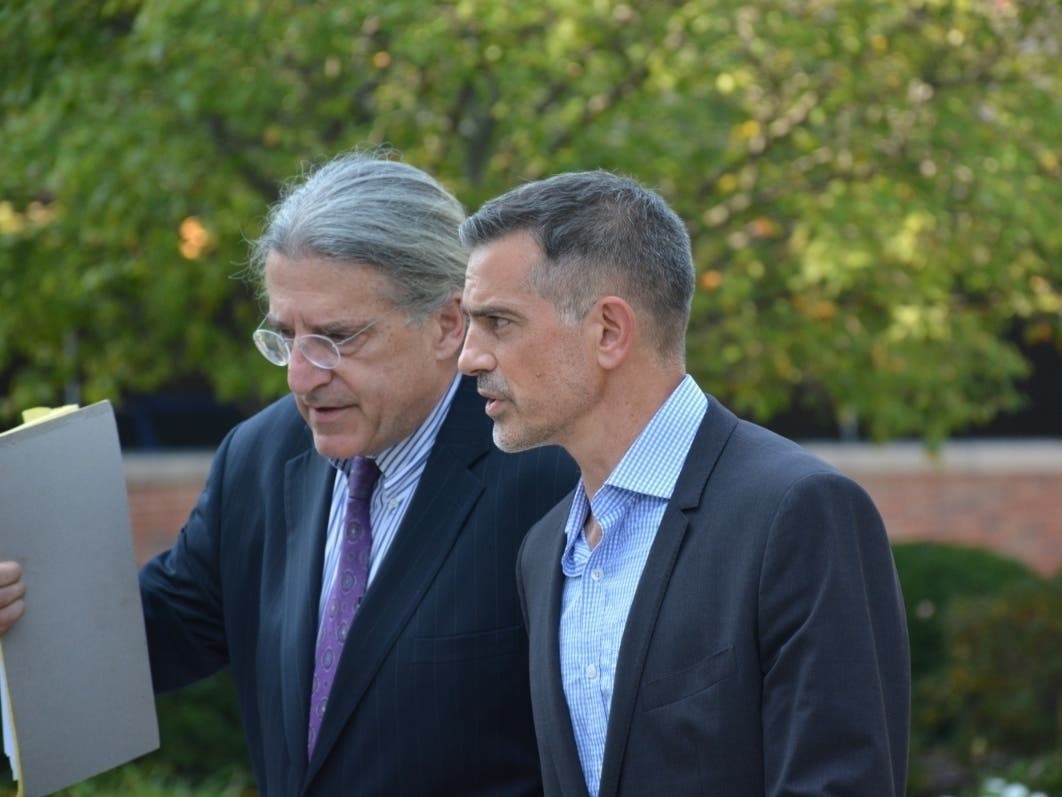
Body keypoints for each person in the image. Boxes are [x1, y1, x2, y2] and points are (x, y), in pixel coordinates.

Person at [0, 152, 578, 796]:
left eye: (336, 338)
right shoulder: (260, 455)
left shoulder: (550, 471)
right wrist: (23, 607)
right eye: (286, 337)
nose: (301, 377)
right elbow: (155, 634)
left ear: (447, 324)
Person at [457, 170, 911, 796]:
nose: (469, 357)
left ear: (609, 332)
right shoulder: (542, 551)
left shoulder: (798, 511)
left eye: (498, 323)